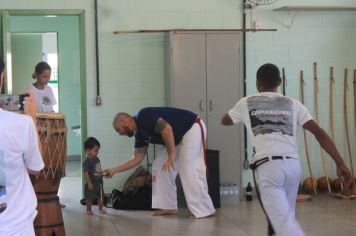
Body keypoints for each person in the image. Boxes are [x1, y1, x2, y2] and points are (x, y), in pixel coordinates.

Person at [221, 63, 352, 236]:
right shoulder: (294, 104)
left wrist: (245, 116)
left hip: (269, 169)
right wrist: (341, 164)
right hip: (293, 167)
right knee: (281, 219)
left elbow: (225, 120)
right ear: (279, 81)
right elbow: (319, 133)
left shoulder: (247, 102)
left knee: (283, 224)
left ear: (258, 83)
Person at [106, 107, 215, 218]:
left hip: (192, 128)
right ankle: (168, 206)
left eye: (118, 130)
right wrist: (113, 170)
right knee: (159, 165)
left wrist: (171, 156)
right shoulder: (139, 135)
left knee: (187, 168)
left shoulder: (143, 116)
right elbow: (136, 159)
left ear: (123, 121)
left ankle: (204, 209)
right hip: (177, 138)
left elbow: (166, 129)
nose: (119, 134)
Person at [0, 58, 45, 236]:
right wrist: (31, 117)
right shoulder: (21, 124)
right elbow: (35, 168)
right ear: (1, 77)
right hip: (15, 226)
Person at [83, 137, 106, 215]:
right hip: (91, 183)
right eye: (95, 150)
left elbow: (98, 169)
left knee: (101, 196)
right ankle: (88, 209)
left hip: (99, 183)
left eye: (98, 150)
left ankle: (100, 209)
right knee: (90, 198)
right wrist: (89, 183)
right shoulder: (86, 162)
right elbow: (86, 172)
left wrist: (102, 173)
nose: (97, 152)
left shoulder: (97, 159)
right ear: (88, 150)